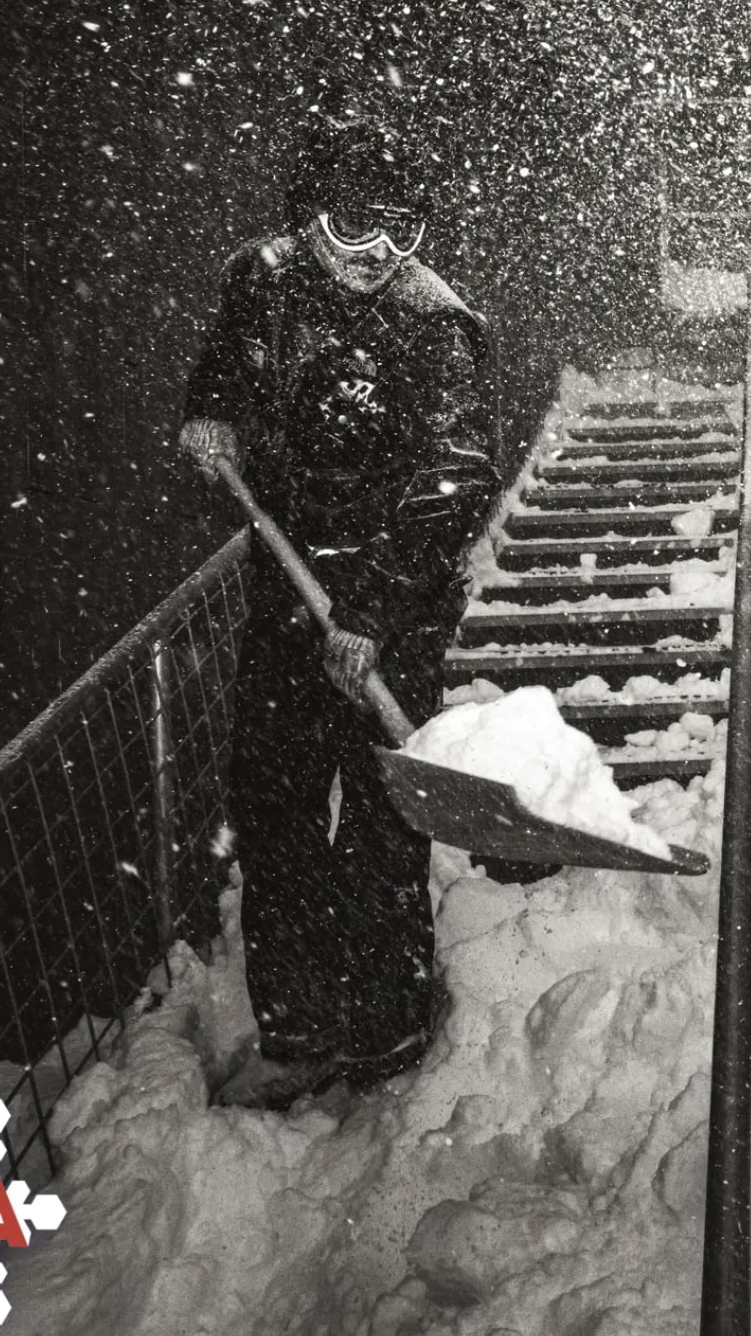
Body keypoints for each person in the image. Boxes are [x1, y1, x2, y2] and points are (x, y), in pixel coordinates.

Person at [177, 109, 501, 1108]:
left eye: (401, 234)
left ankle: (388, 1026)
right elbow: (225, 371)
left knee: (377, 817)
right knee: (272, 805)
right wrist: (207, 417)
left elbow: (456, 477)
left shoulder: (433, 323)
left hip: (391, 605)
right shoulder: (262, 282)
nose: (377, 257)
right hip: (289, 591)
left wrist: (369, 610)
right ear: (308, 218)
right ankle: (301, 1026)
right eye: (356, 230)